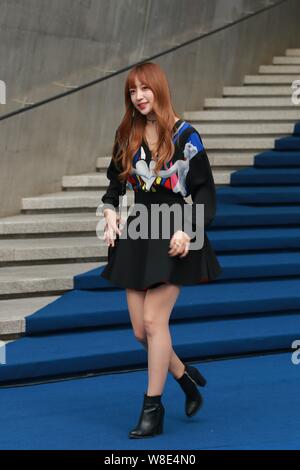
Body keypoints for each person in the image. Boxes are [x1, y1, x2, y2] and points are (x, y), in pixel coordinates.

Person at [100, 62, 222, 439]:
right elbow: (113, 190)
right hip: (138, 230)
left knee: (155, 322)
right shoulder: (127, 134)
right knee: (141, 331)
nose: (138, 96)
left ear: (159, 88)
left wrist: (188, 231)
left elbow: (204, 192)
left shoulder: (186, 135)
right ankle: (184, 377)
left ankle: (152, 409)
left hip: (175, 230)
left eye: (144, 88)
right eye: (132, 90)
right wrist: (109, 217)